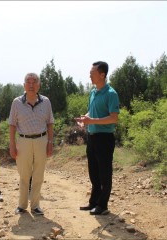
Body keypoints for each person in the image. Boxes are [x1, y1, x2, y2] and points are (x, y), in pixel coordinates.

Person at [75, 61, 120, 215]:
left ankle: (103, 205)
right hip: (92, 137)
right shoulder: (93, 92)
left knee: (104, 173)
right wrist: (84, 119)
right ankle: (93, 202)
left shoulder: (111, 94)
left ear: (102, 74)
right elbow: (90, 112)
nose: (90, 75)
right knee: (93, 172)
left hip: (105, 138)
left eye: (92, 72)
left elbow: (114, 118)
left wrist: (92, 121)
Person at [9, 73, 54, 215]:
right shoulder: (16, 102)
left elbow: (50, 123)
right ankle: (22, 205)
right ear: (24, 85)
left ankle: (35, 206)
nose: (31, 84)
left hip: (42, 140)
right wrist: (12, 144)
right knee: (24, 174)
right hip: (23, 141)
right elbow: (12, 124)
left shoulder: (46, 101)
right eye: (28, 81)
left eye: (34, 81)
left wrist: (50, 142)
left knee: (38, 174)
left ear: (39, 85)